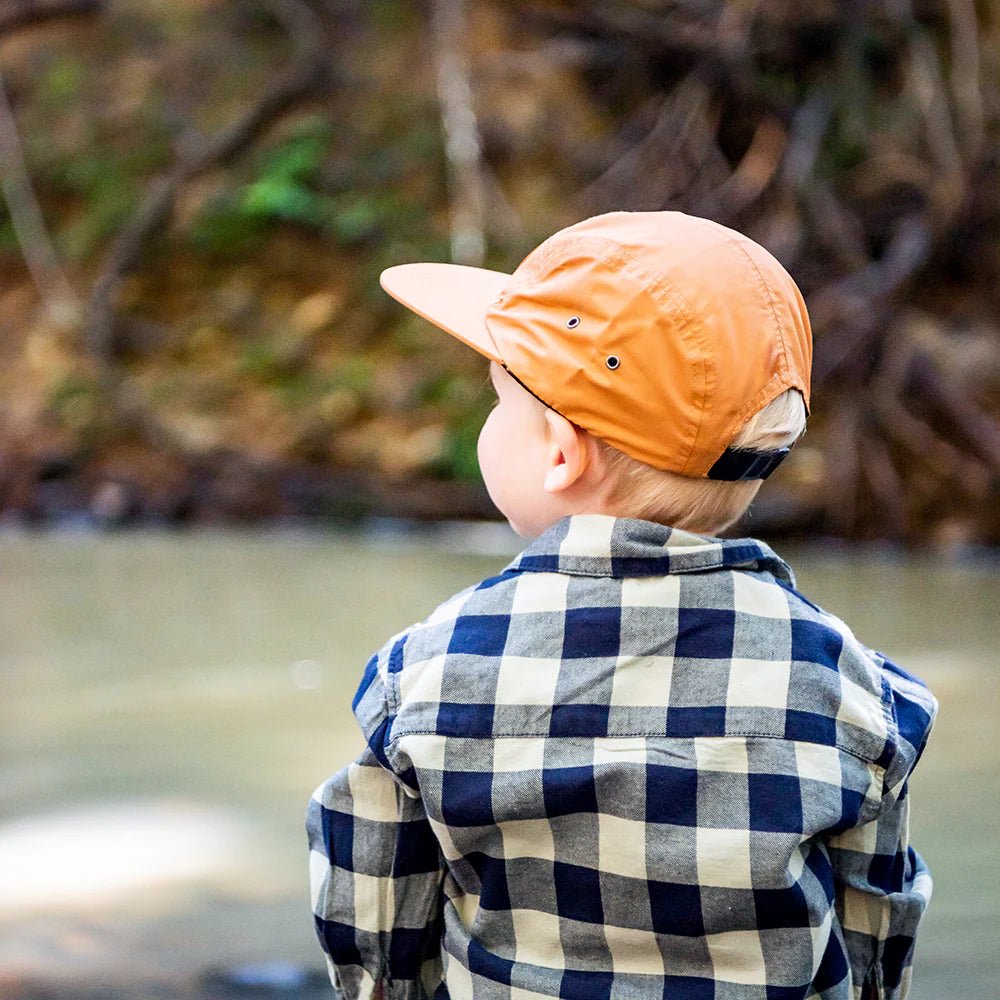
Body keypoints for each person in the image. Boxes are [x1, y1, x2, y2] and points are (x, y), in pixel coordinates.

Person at [306, 211, 938, 1000]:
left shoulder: (426, 677)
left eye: (502, 400)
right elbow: (875, 940)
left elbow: (373, 936)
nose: (492, 419)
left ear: (561, 452)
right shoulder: (846, 691)